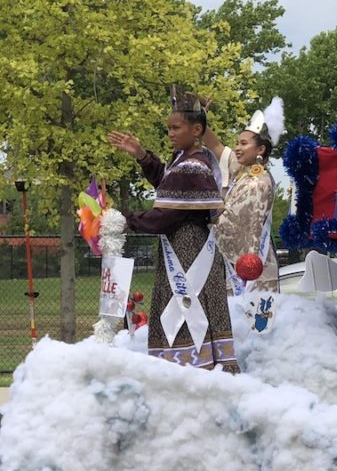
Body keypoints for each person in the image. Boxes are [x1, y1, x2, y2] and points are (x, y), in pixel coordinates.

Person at [107, 88, 240, 372]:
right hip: (184, 243)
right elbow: (168, 185)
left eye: (175, 128)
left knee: (185, 300)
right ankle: (202, 362)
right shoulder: (188, 161)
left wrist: (124, 219)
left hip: (188, 247)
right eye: (168, 128)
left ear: (197, 130)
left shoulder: (193, 166)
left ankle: (187, 367)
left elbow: (166, 214)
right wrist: (143, 155)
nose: (170, 133)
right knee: (190, 301)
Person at [214, 97, 284, 294]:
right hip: (249, 267)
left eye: (243, 143)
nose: (237, 148)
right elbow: (216, 147)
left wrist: (204, 216)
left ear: (260, 149)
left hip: (254, 270)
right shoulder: (248, 175)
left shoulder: (256, 181)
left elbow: (232, 221)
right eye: (237, 143)